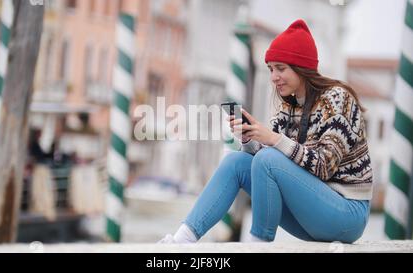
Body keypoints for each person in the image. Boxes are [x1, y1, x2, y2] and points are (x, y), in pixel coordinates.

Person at [159, 19, 372, 244]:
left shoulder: (336, 98)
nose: (273, 77)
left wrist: (272, 139)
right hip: (310, 214)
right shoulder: (288, 108)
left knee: (268, 157)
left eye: (281, 68)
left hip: (347, 214)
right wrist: (249, 139)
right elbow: (267, 165)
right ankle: (182, 240)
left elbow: (323, 166)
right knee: (237, 162)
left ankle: (258, 244)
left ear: (302, 67)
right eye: (271, 69)